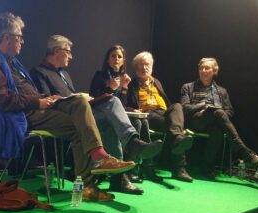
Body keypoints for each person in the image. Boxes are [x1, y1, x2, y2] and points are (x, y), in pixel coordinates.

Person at [0, 12, 136, 202]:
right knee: (80, 112)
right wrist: (38, 101)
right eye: (19, 37)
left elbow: (27, 93)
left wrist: (47, 98)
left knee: (79, 118)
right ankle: (98, 158)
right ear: (7, 37)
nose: (22, 42)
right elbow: (0, 99)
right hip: (20, 116)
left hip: (37, 108)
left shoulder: (13, 63)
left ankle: (86, 186)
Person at [30, 39, 163, 195]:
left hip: (83, 113)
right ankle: (129, 152)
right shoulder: (39, 72)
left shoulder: (64, 73)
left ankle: (119, 175)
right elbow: (47, 101)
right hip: (64, 118)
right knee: (111, 104)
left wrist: (85, 98)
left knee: (111, 110)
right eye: (68, 52)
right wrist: (79, 98)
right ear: (57, 51)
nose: (71, 56)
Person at [180, 57, 258, 178]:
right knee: (219, 113)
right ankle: (247, 155)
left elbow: (230, 111)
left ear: (214, 71)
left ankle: (206, 168)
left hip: (215, 123)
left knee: (218, 132)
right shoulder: (188, 87)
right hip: (196, 121)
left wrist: (216, 112)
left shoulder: (221, 91)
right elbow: (185, 108)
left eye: (207, 68)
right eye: (201, 68)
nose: (203, 70)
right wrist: (204, 105)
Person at [89, 45, 161, 183]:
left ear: (123, 61)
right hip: (98, 113)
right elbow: (93, 98)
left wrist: (124, 88)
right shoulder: (100, 75)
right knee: (133, 121)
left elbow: (121, 105)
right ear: (107, 59)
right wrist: (109, 88)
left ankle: (132, 168)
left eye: (119, 57)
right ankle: (134, 147)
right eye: (113, 56)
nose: (116, 59)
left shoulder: (124, 78)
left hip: (115, 116)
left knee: (140, 121)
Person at [125, 51, 194, 183]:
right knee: (176, 130)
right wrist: (134, 109)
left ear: (151, 66)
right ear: (135, 68)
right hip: (146, 115)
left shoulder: (156, 81)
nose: (144, 68)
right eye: (140, 65)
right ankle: (179, 168)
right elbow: (124, 105)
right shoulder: (130, 84)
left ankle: (178, 139)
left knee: (177, 106)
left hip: (163, 113)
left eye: (147, 64)